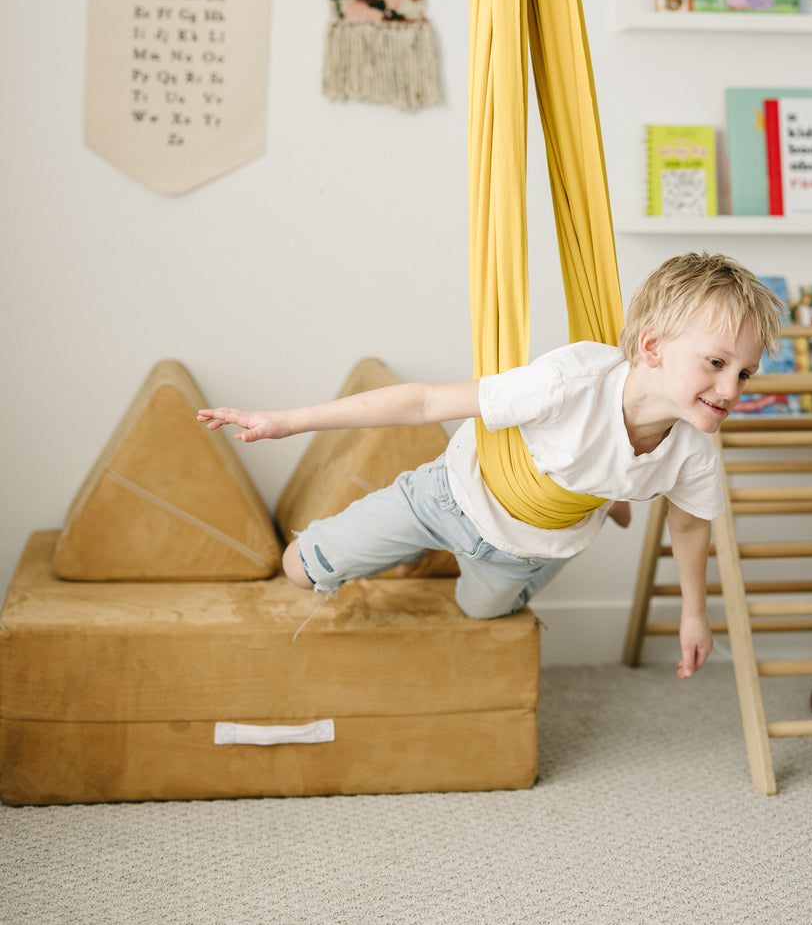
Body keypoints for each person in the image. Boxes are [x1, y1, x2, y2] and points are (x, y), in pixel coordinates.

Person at [198, 252, 782, 679]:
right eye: (715, 362)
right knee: (301, 567)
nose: (730, 388)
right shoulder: (569, 380)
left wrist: (693, 616)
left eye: (745, 373)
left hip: (530, 548)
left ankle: (603, 501)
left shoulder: (693, 457)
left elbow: (689, 526)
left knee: (477, 613)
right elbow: (425, 401)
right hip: (448, 498)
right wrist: (286, 421)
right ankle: (437, 538)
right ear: (652, 348)